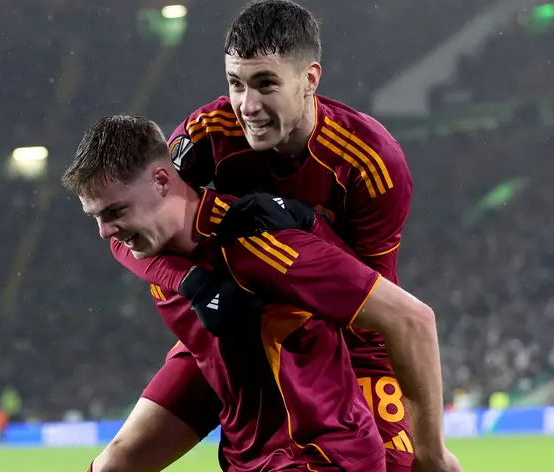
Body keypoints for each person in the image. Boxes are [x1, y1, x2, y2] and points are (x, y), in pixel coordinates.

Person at [93, 2, 460, 472]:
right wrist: (192, 283)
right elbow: (126, 223)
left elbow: (375, 296)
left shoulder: (371, 162)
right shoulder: (207, 134)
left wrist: (431, 453)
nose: (247, 106)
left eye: (266, 84)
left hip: (336, 343)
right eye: (235, 83)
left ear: (310, 79)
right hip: (234, 328)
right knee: (117, 463)